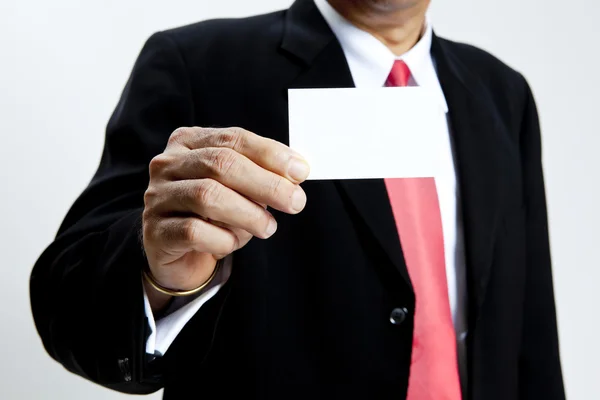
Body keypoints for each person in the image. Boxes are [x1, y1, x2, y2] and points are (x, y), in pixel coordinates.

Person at [29, 0, 566, 398]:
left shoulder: (502, 93)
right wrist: (161, 275)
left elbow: (530, 327)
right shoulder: (196, 64)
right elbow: (66, 304)